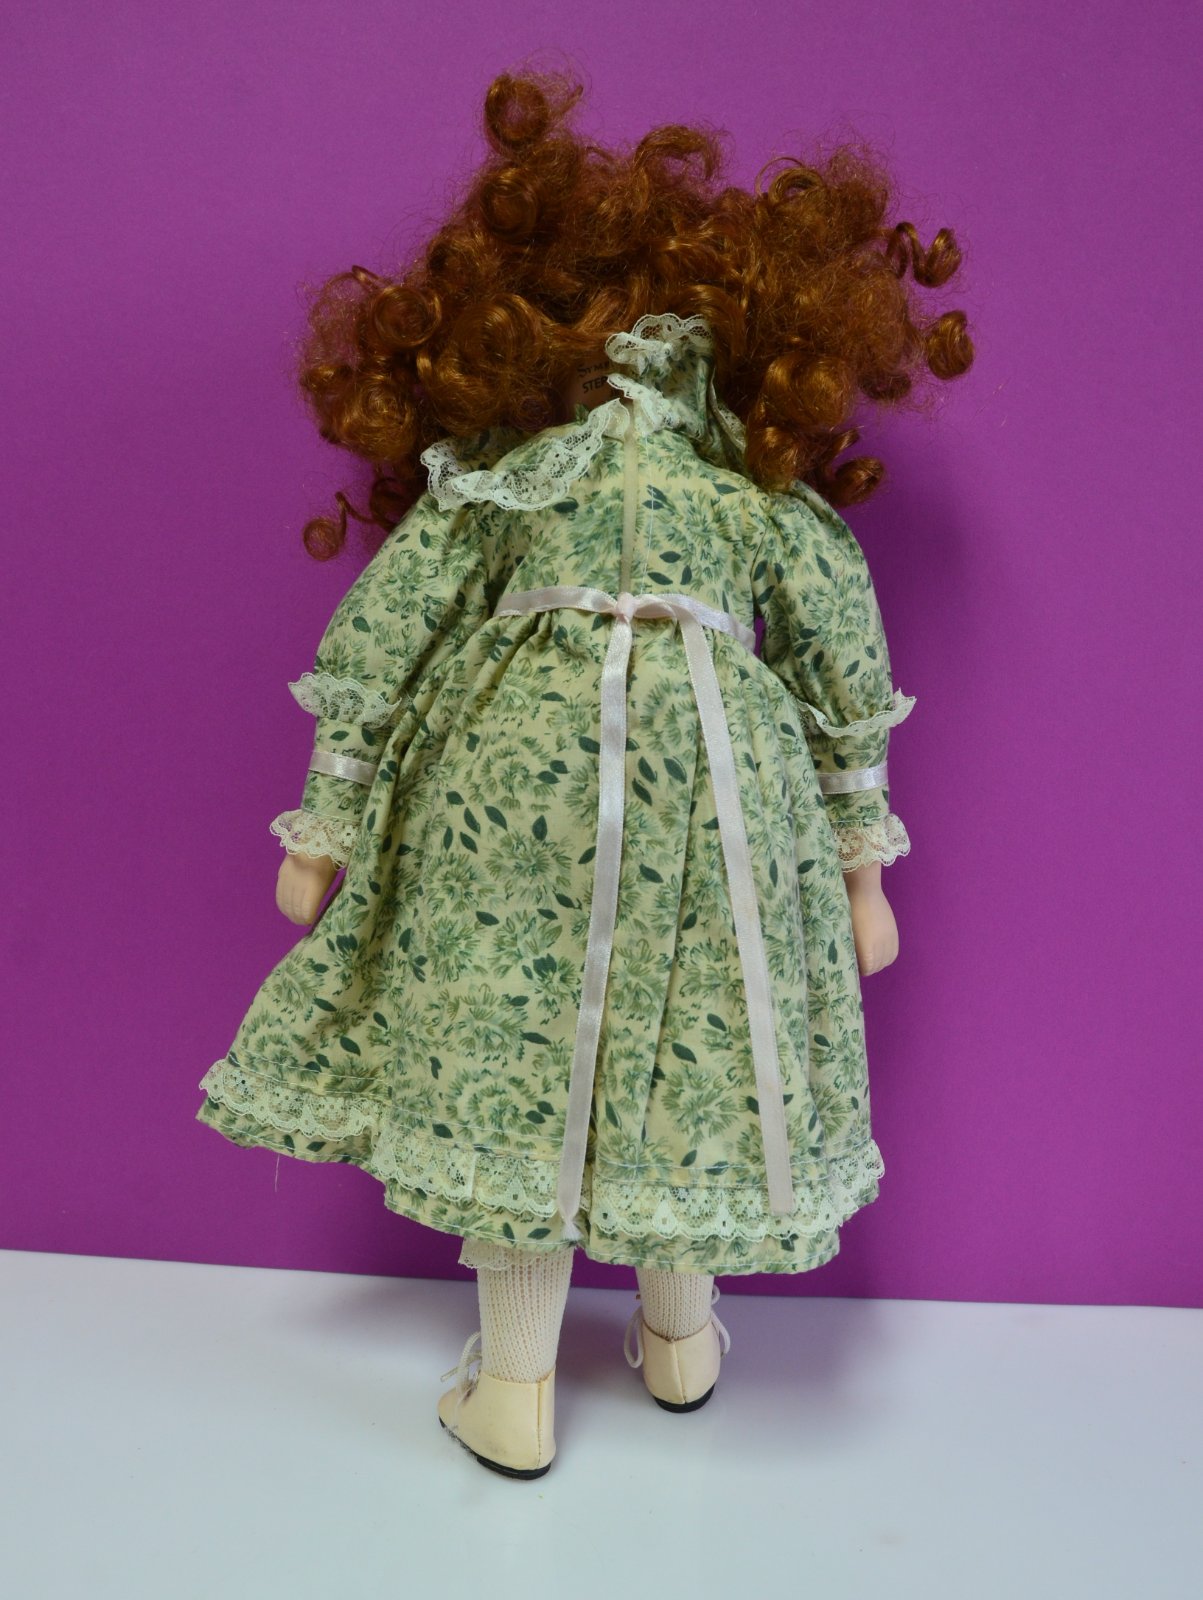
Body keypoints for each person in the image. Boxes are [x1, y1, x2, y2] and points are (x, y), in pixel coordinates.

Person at [196, 67, 973, 1479]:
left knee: (526, 1048)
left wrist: (327, 828)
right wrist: (863, 873)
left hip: (523, 783)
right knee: (692, 1041)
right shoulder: (738, 498)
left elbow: (387, 633)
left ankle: (520, 1386)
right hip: (713, 783)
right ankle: (675, 1346)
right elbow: (840, 674)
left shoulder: (522, 478)